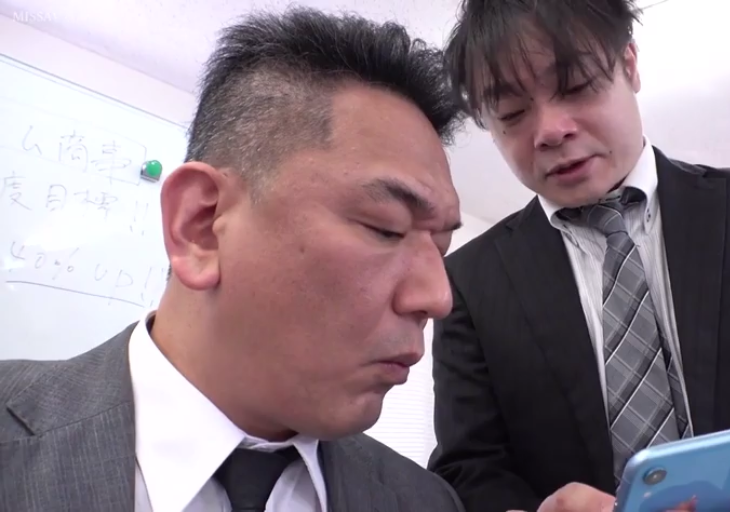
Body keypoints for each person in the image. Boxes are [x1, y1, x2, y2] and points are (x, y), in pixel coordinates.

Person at [428, 0, 730, 511]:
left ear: (629, 64)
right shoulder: (469, 282)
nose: (550, 130)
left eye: (575, 85)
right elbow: (467, 467)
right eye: (512, 113)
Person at [0, 7, 466, 512]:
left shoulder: (427, 502)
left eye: (440, 248)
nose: (438, 297)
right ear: (201, 224)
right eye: (385, 228)